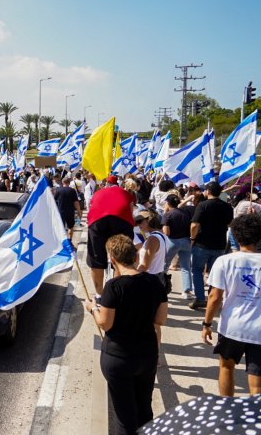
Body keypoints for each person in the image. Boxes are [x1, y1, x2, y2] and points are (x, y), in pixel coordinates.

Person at [84, 234, 168, 435]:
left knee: (125, 416)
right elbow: (160, 320)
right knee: (144, 410)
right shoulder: (155, 282)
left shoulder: (113, 287)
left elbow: (105, 323)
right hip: (147, 354)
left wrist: (92, 308)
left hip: (118, 357)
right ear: (135, 256)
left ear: (112, 259)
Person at [201, 214, 261, 397]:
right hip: (259, 329)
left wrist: (207, 324)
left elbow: (214, 297)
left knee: (226, 367)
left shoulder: (224, 261)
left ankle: (228, 411)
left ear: (234, 235)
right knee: (257, 379)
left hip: (232, 327)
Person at [189, 181, 233, 310]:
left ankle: (200, 298)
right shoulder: (227, 207)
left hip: (202, 243)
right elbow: (230, 224)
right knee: (215, 274)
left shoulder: (203, 205)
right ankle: (213, 298)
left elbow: (194, 224)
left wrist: (192, 238)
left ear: (207, 191)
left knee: (197, 270)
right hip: (219, 244)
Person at [86, 181, 136, 295]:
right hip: (121, 218)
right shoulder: (126, 194)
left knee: (96, 260)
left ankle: (99, 295)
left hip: (97, 220)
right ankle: (116, 294)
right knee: (121, 257)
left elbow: (91, 207)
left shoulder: (98, 193)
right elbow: (131, 212)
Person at [162, 194, 193, 298]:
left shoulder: (168, 214)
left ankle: (161, 286)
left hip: (172, 241)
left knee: (165, 265)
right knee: (186, 267)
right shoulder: (185, 213)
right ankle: (187, 291)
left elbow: (166, 232)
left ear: (168, 203)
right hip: (186, 241)